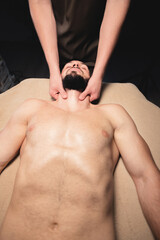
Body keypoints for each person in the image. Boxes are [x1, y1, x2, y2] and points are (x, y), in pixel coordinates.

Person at [0, 60, 160, 240]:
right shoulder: (32, 107)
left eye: (83, 66)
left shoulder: (113, 114)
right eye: (68, 65)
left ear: (92, 80)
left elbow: (146, 176)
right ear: (57, 77)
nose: (75, 64)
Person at [28, 0, 131, 102]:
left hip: (106, 50)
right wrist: (54, 70)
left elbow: (117, 2)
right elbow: (39, 2)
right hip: (54, 48)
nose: (76, 66)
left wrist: (98, 75)